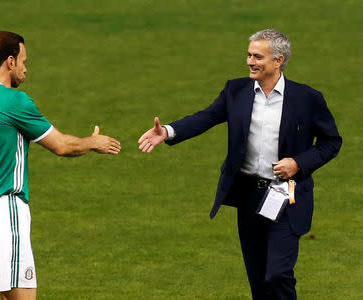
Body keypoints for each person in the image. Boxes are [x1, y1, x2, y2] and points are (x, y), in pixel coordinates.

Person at [138, 29, 341, 299]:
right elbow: (206, 117)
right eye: (248, 55)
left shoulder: (307, 98)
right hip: (249, 197)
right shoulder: (236, 90)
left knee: (278, 274)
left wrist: (298, 163)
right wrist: (168, 131)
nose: (250, 61)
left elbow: (331, 141)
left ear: (278, 61)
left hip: (286, 197)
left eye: (258, 56)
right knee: (258, 280)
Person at [0, 31, 121, 300]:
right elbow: (61, 145)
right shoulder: (14, 101)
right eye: (24, 61)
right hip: (6, 210)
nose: (26, 69)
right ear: (10, 62)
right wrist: (93, 142)